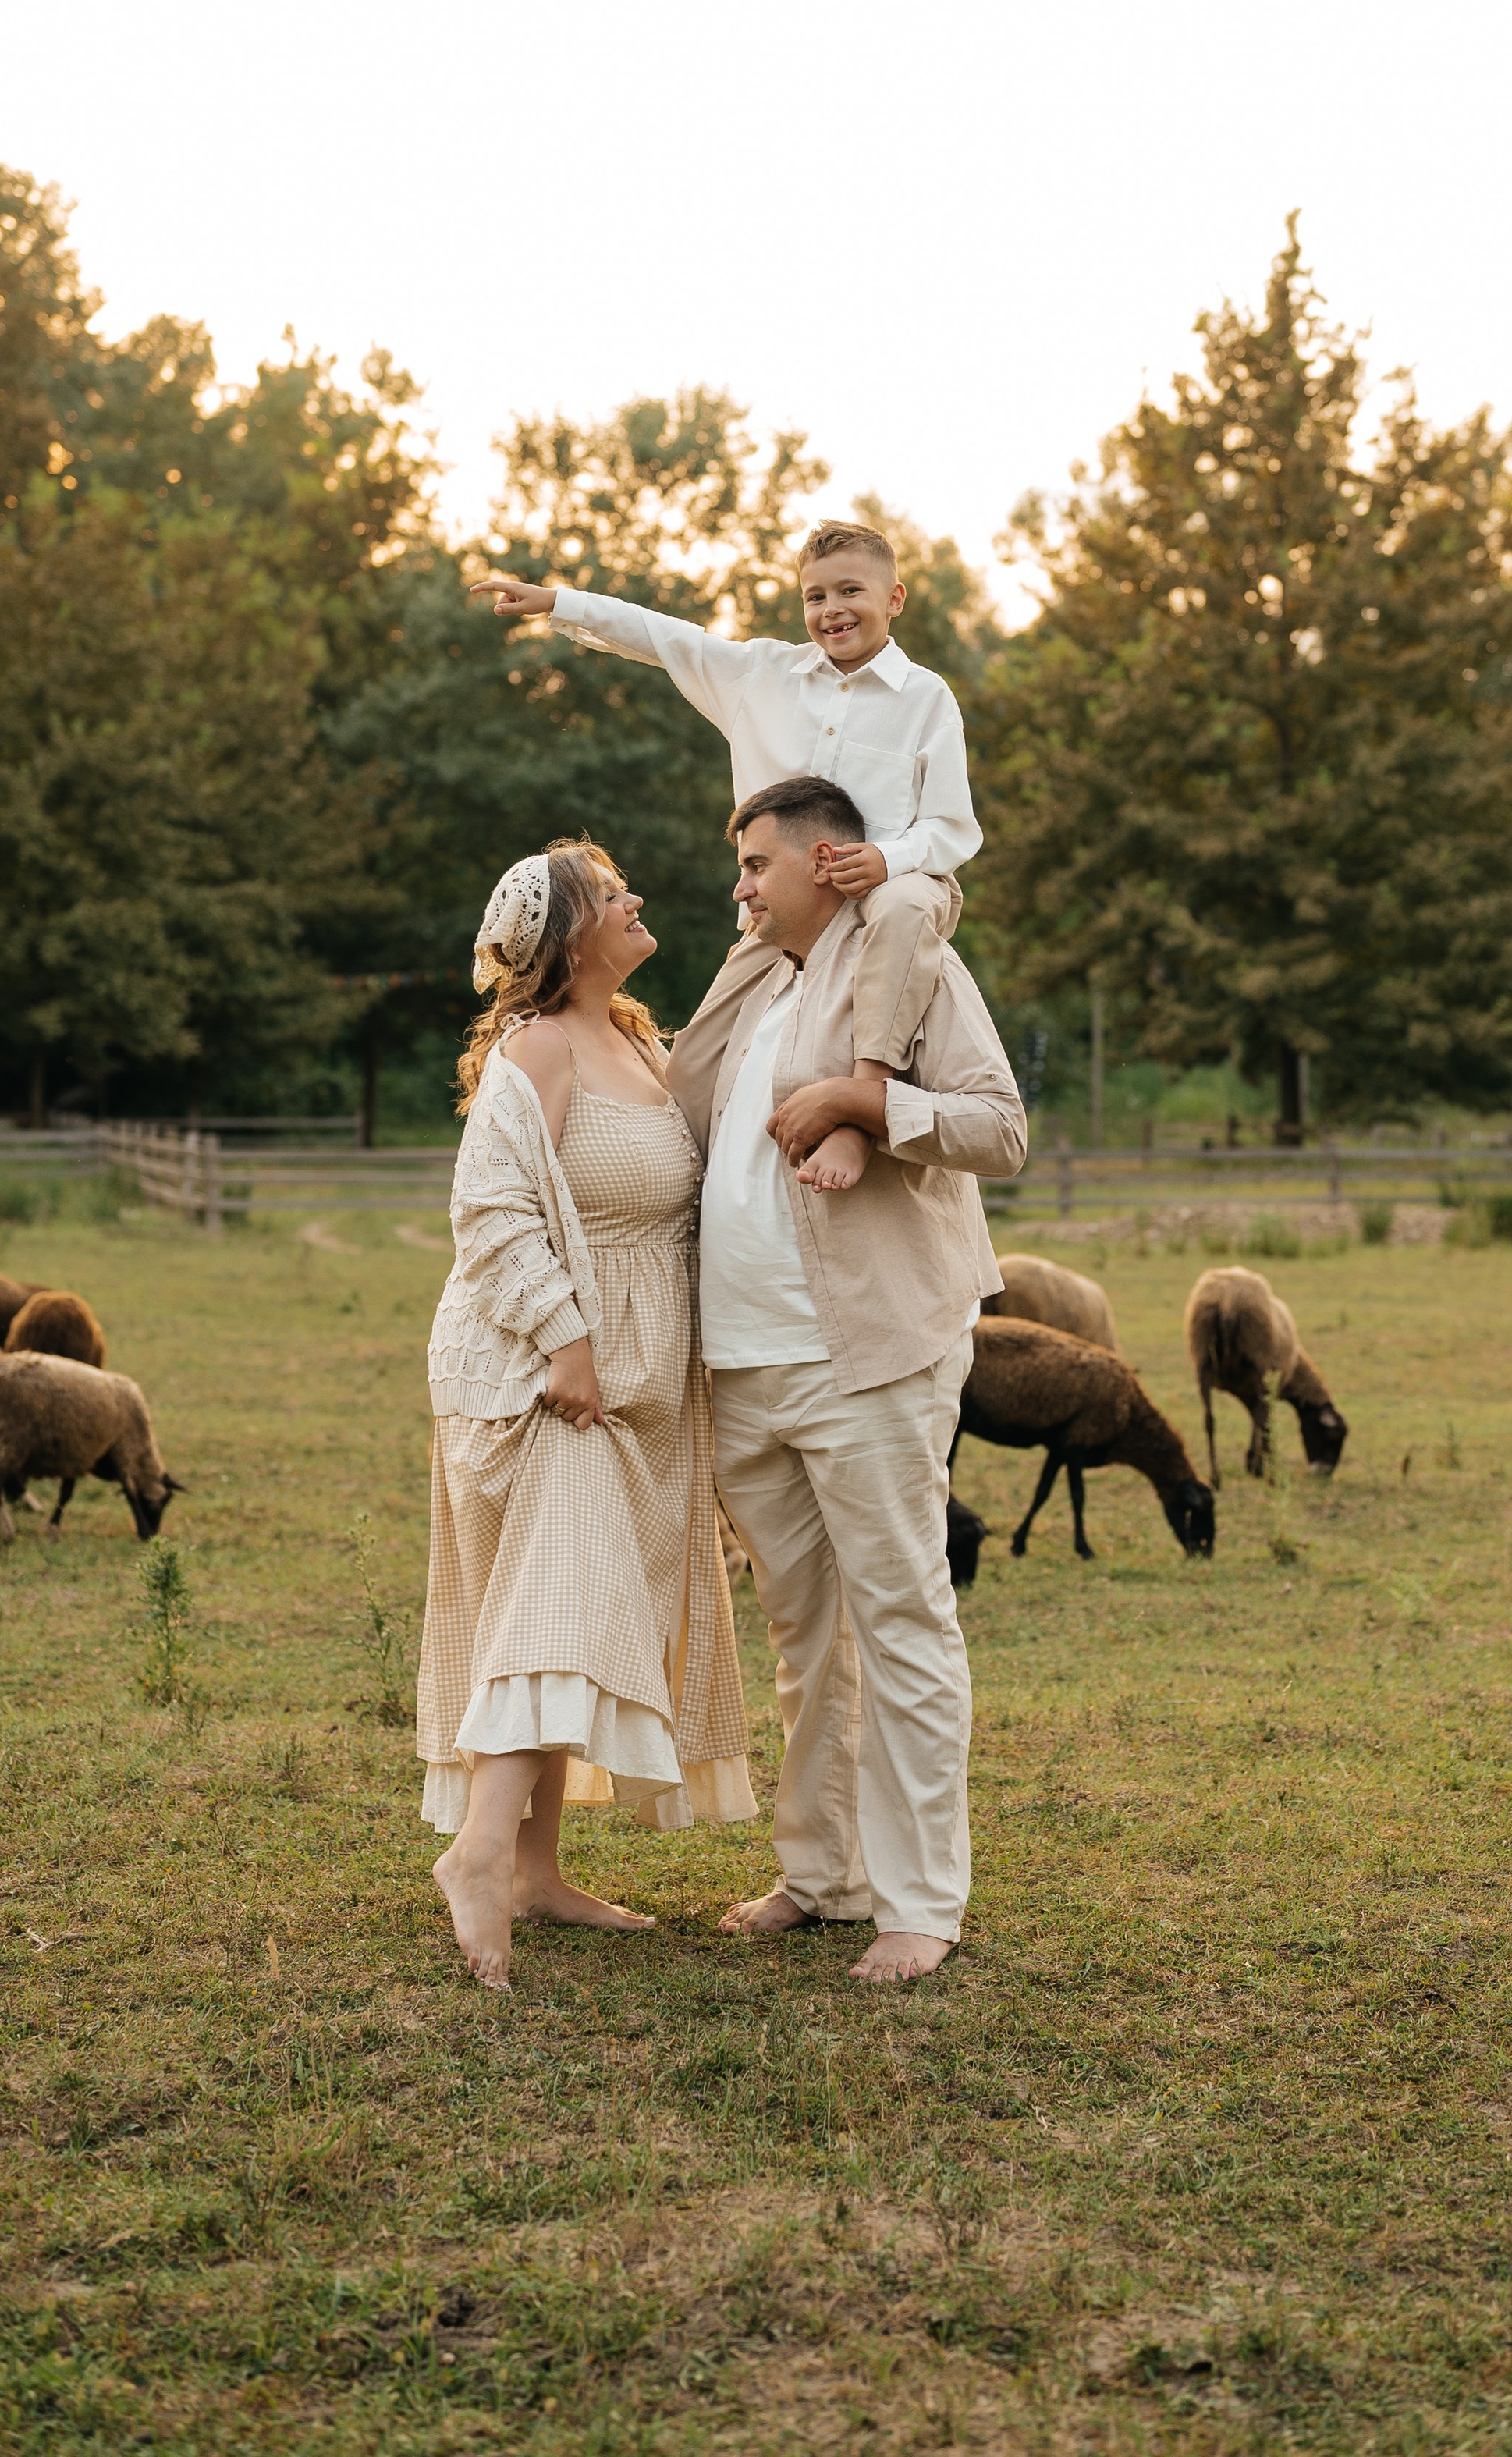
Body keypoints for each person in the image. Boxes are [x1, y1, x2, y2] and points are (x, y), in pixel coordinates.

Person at [665, 774, 1028, 1985]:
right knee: (804, 1633)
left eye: (757, 864)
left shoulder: (907, 960)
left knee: (902, 1620)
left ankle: (921, 1902)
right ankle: (822, 1875)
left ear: (827, 862)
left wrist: (866, 1101)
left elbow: (997, 1127)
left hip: (865, 1355)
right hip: (746, 1361)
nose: (740, 886)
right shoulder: (753, 982)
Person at [418, 839, 755, 1993]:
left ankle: (536, 1874)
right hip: (538, 1366)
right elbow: (493, 1209)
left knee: (573, 1603)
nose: (638, 901)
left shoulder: (641, 1043)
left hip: (638, 1379)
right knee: (561, 1598)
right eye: (615, 896)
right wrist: (567, 1340)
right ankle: (477, 1856)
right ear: (570, 935)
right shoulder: (540, 1047)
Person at [471, 521, 979, 1195]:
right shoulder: (761, 675)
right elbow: (663, 635)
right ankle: (685, 1198)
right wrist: (558, 604)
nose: (832, 610)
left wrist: (889, 858)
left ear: (894, 599)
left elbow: (952, 825)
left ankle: (862, 1102)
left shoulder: (926, 697)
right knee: (694, 1062)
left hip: (890, 890)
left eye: (851, 591)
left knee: (908, 902)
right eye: (815, 596)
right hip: (785, 910)